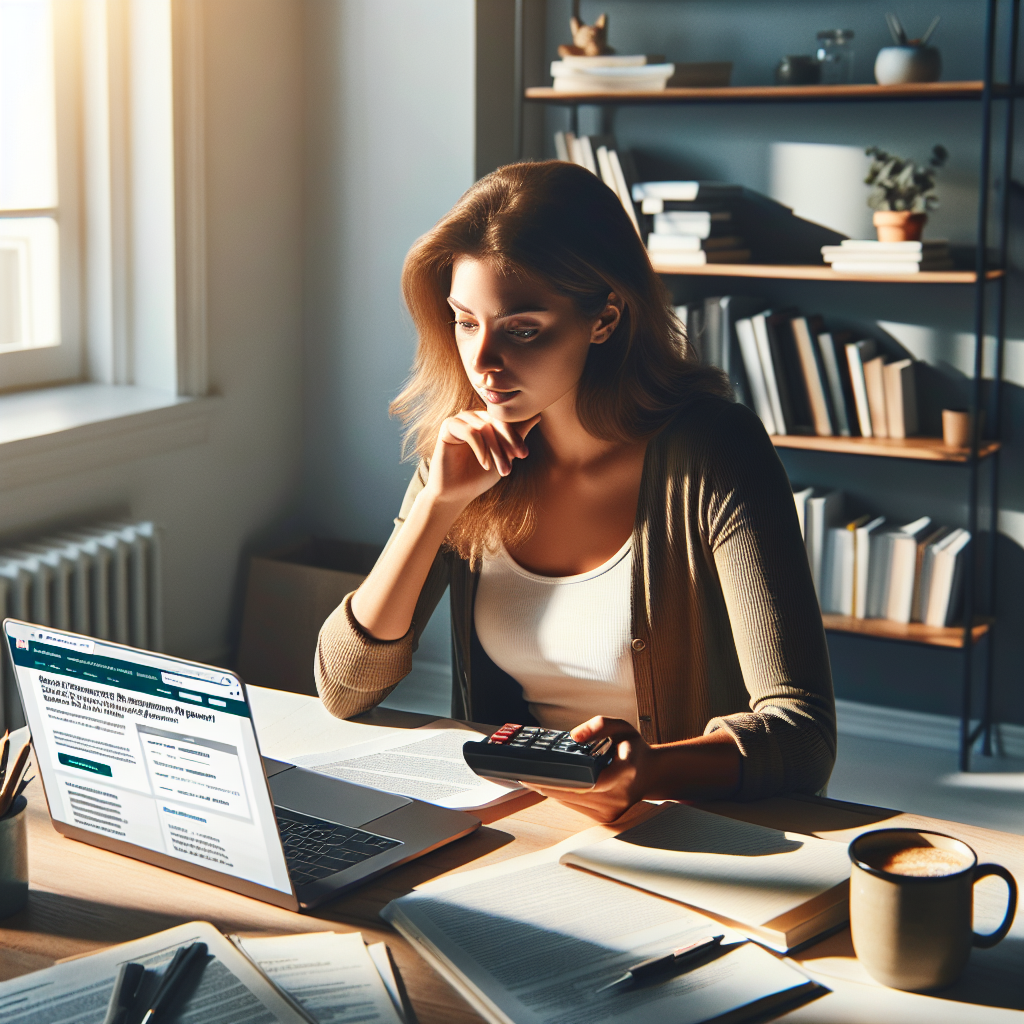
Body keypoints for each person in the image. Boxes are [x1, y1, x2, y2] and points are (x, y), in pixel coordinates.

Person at [316, 161, 836, 823]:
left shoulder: (713, 452)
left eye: (522, 329)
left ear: (606, 318)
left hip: (683, 820)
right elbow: (343, 687)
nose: (483, 363)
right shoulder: (466, 454)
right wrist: (437, 507)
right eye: (464, 322)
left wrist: (650, 769)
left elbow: (804, 734)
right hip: (526, 819)